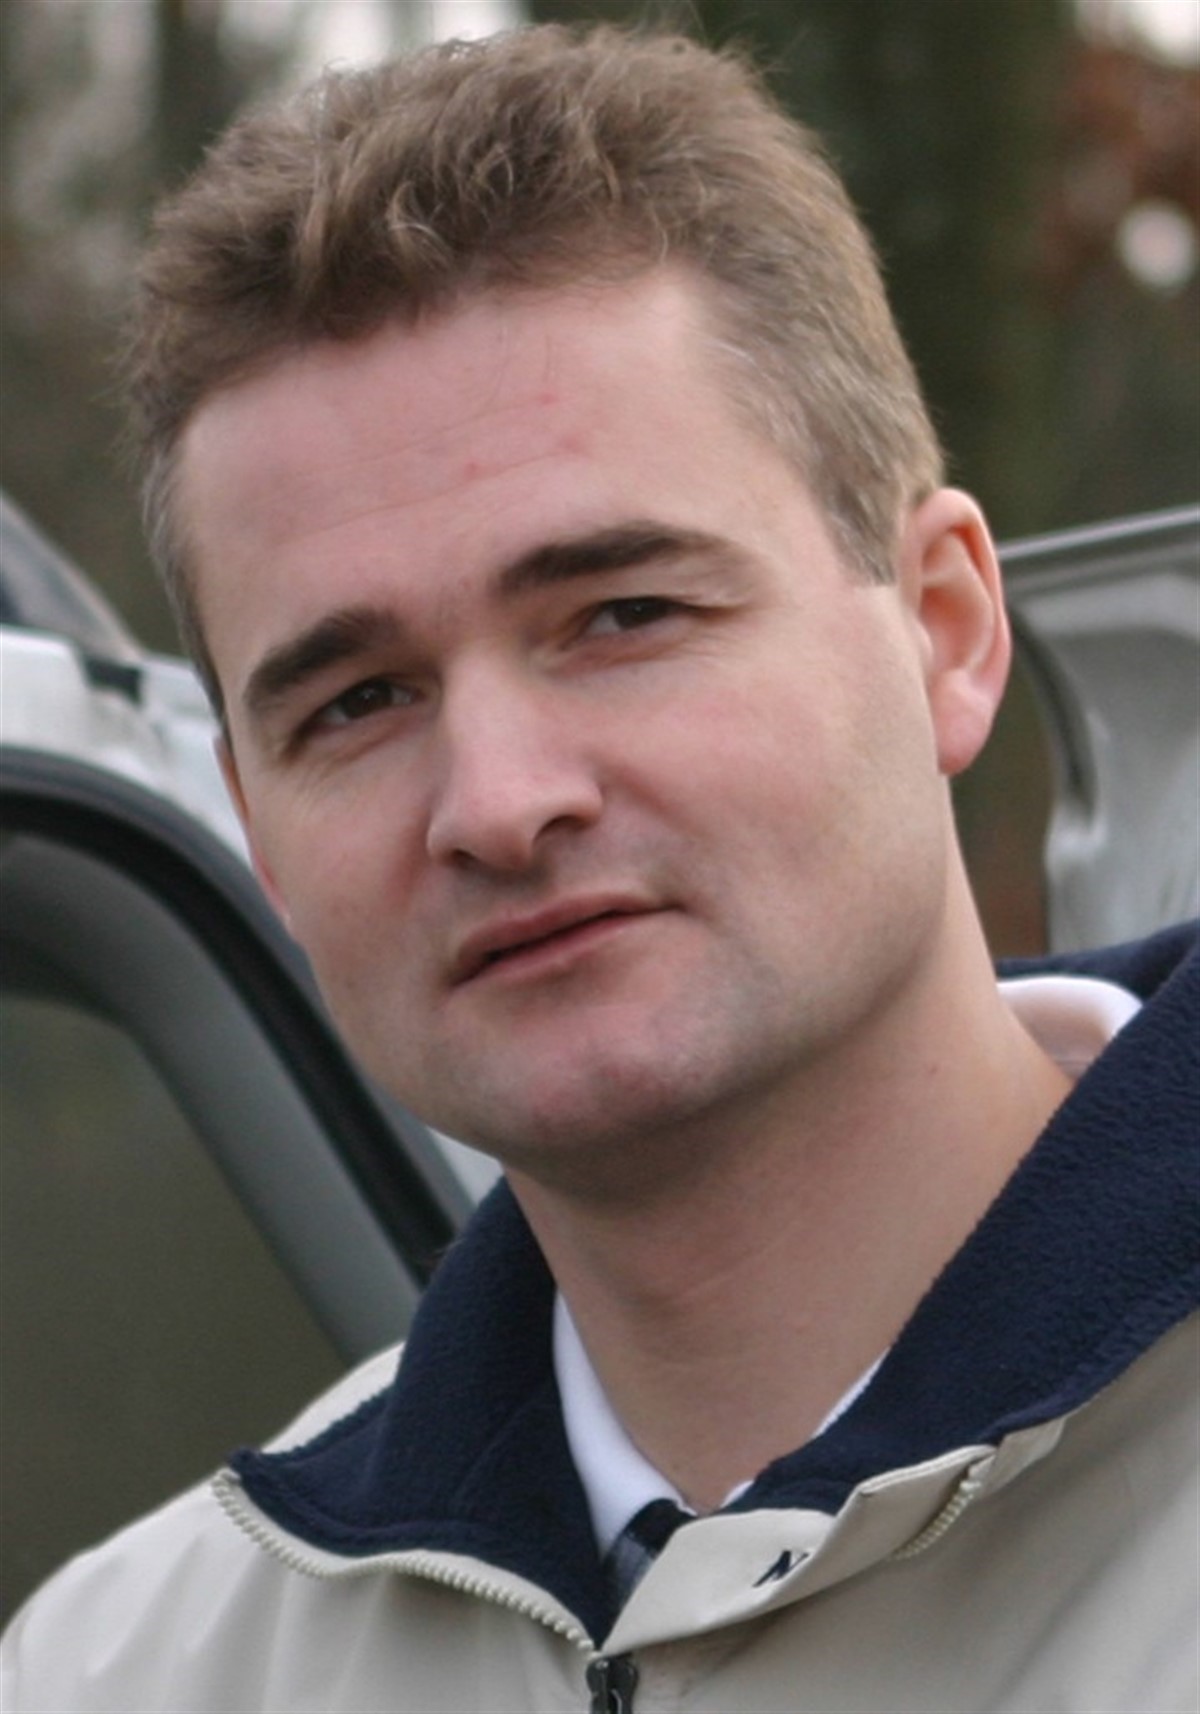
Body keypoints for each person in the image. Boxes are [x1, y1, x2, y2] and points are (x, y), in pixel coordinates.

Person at [3, 25, 1196, 1714]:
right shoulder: (130, 1672)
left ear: (944, 629)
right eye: (356, 702)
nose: (498, 802)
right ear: (257, 831)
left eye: (624, 614)